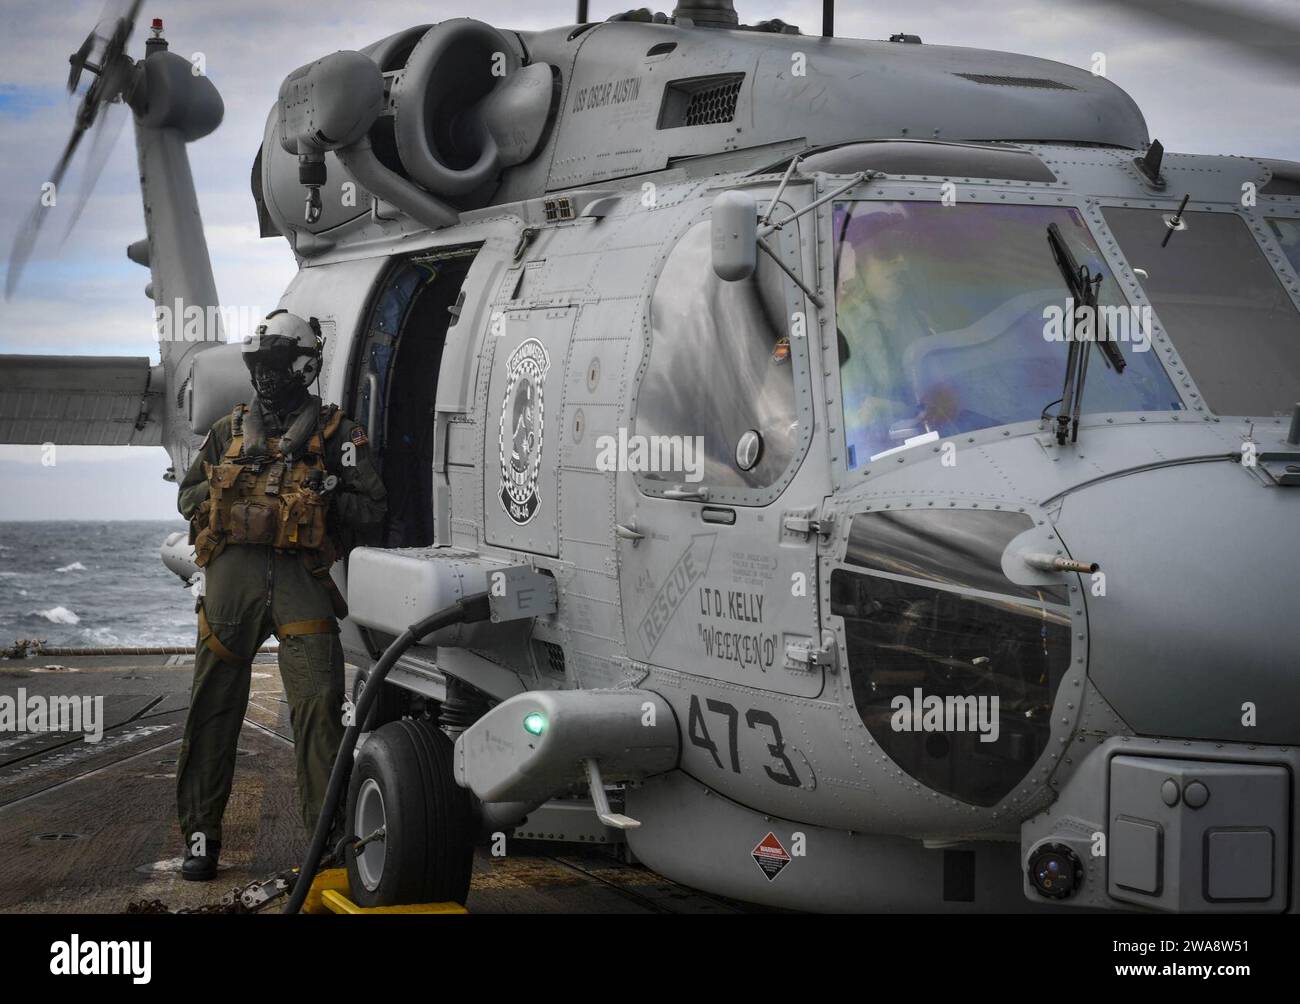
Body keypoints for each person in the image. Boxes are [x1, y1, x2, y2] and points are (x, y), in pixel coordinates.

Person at [175, 310, 386, 881]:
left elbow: (374, 509)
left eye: (275, 365)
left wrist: (328, 494)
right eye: (259, 366)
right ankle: (200, 835)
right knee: (213, 704)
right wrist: (226, 488)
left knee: (320, 707)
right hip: (230, 584)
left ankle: (325, 838)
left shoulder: (341, 435)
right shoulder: (228, 430)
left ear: (305, 366)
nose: (265, 377)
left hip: (301, 583)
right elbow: (188, 495)